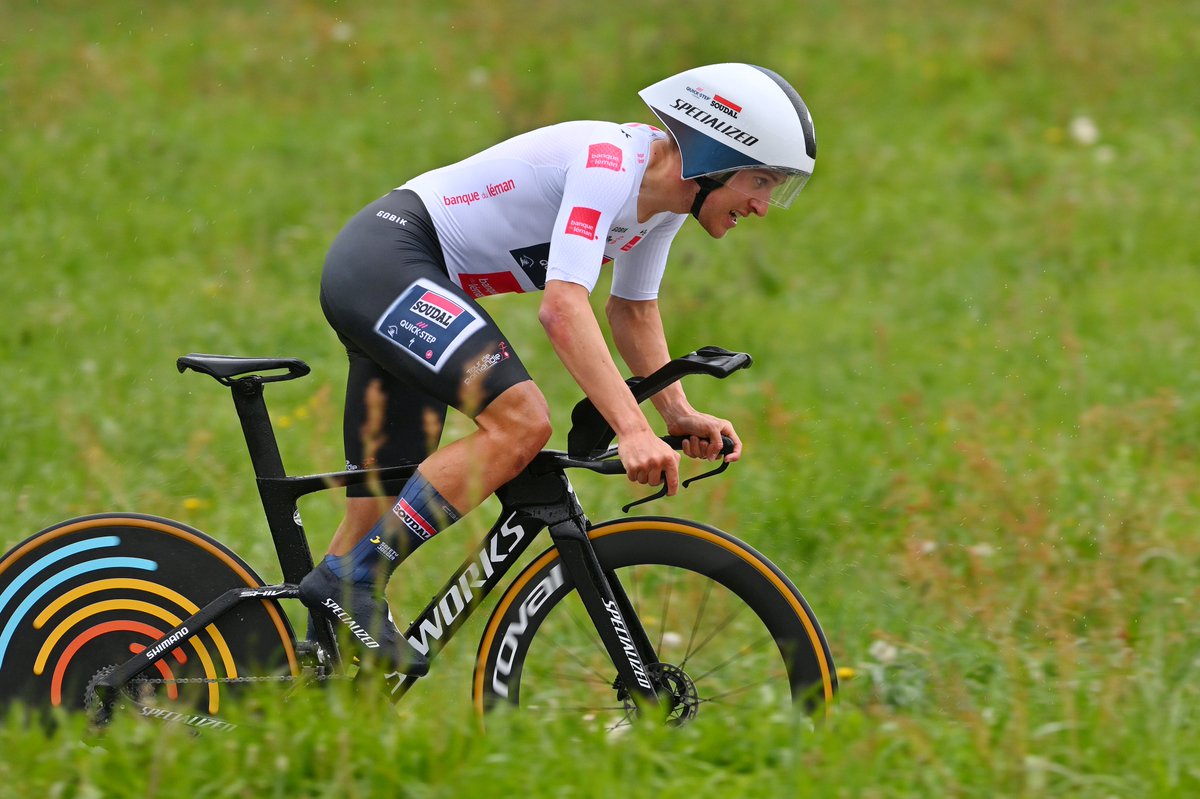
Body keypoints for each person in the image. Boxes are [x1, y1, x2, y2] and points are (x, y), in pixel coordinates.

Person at [298, 63, 818, 673]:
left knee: (383, 491)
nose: (761, 205)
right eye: (759, 181)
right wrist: (631, 430)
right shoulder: (608, 165)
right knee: (521, 423)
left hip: (400, 275)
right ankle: (353, 582)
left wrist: (675, 413)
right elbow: (564, 308)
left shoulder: (665, 203)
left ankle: (310, 665)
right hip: (389, 257)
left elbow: (633, 310)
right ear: (712, 156)